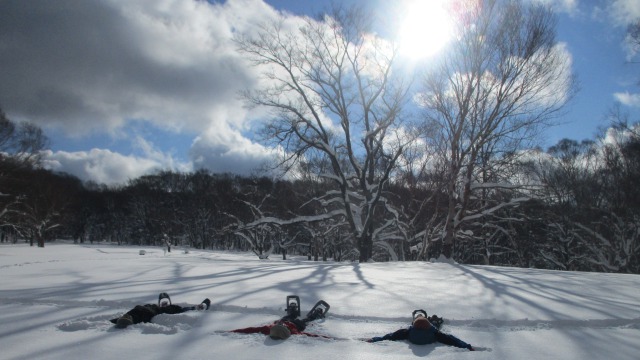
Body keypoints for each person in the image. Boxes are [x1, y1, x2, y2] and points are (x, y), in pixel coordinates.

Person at [366, 310, 475, 351]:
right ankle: (434, 321)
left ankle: (424, 319)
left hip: (415, 339)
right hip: (428, 339)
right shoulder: (435, 333)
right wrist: (467, 346)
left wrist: (374, 339)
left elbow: (390, 336)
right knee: (441, 331)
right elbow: (452, 340)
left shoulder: (407, 332)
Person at [230, 297, 330, 340]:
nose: (281, 326)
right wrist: (328, 338)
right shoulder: (293, 331)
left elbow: (251, 329)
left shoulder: (268, 329)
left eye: (279, 326)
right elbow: (309, 335)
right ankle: (314, 315)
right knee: (305, 320)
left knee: (288, 316)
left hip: (285, 319)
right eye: (282, 327)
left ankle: (292, 312)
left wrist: (234, 331)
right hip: (296, 324)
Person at [110, 292, 210, 328]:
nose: (165, 304)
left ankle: (127, 320)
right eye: (163, 303)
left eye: (165, 303)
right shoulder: (151, 308)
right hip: (148, 309)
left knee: (140, 316)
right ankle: (197, 307)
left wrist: (195, 307)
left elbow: (183, 309)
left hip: (149, 311)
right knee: (179, 309)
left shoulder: (171, 308)